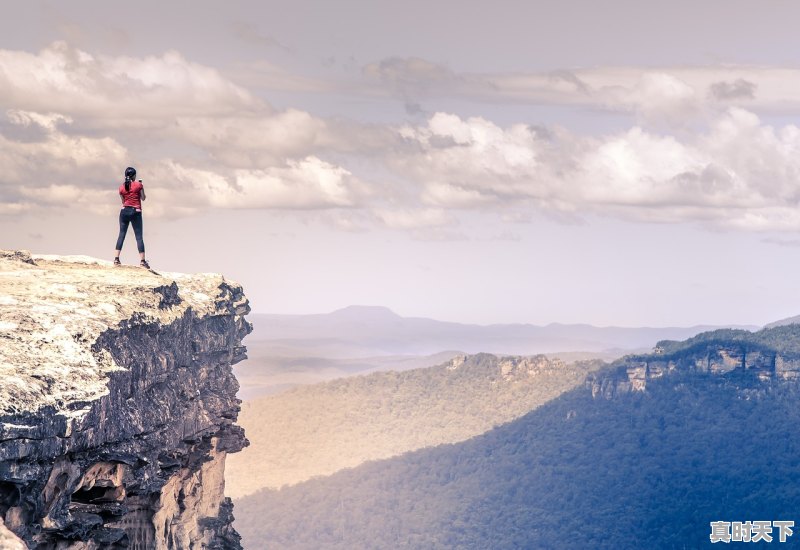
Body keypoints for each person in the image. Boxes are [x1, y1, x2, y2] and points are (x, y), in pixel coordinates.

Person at [113, 166, 150, 269]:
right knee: (139, 237)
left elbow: (123, 202)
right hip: (135, 212)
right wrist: (141, 186)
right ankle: (142, 262)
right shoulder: (138, 185)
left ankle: (116, 259)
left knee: (121, 234)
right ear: (134, 175)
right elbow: (143, 198)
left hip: (124, 211)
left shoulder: (121, 187)